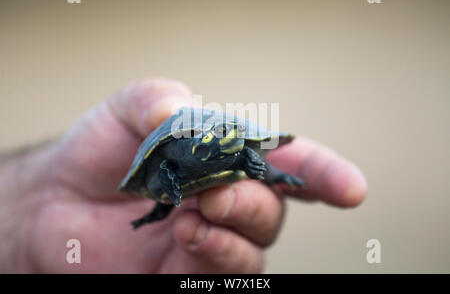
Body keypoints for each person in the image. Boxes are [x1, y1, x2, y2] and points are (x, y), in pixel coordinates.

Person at [0, 78, 367, 273]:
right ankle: (155, 212)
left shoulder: (235, 145)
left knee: (258, 169)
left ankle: (279, 176)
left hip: (220, 175)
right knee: (163, 195)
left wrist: (258, 167)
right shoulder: (178, 145)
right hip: (172, 176)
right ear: (200, 143)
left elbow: (242, 151)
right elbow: (163, 163)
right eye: (221, 136)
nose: (232, 140)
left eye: (232, 137)